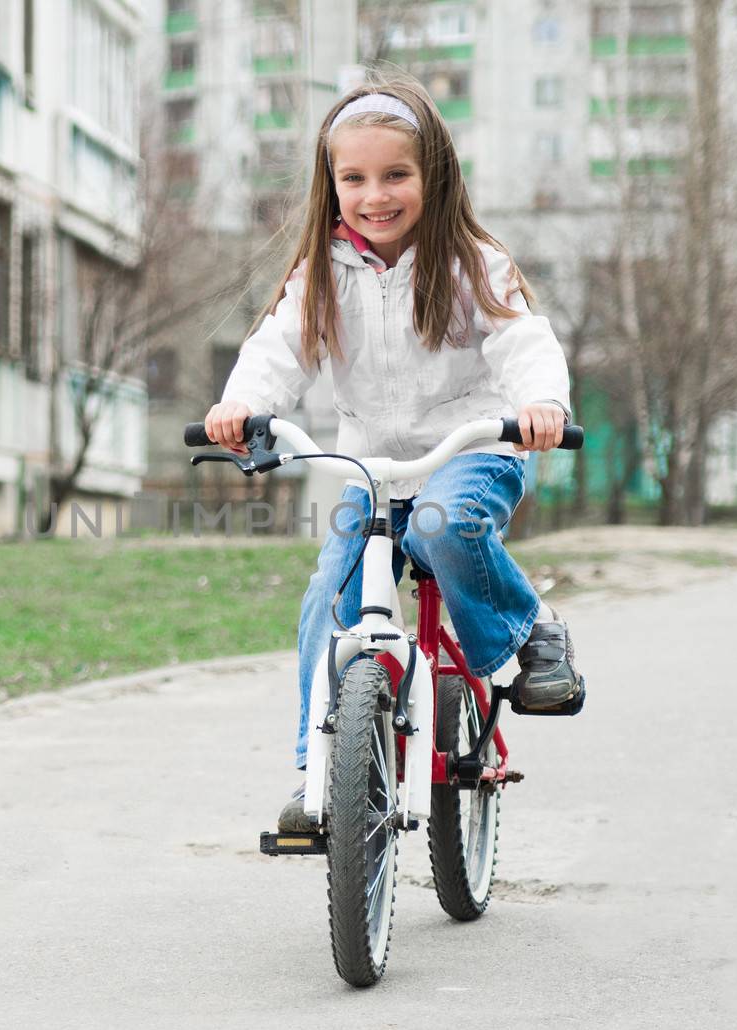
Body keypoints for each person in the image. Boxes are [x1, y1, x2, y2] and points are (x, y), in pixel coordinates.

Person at [200, 78, 583, 832]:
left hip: (470, 449)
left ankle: (530, 628)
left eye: (396, 175)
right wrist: (241, 407)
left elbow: (524, 342)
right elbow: (274, 352)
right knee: (328, 598)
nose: (376, 195)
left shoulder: (471, 263)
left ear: (433, 176)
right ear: (332, 185)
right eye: (355, 179)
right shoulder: (319, 277)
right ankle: (322, 777)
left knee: (441, 524)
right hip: (369, 471)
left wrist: (541, 406)